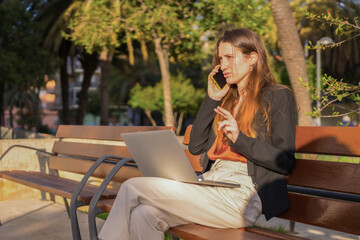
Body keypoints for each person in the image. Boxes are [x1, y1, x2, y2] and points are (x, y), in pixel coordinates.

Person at [98, 28, 297, 240]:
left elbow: (285, 161)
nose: (223, 65)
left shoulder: (278, 96)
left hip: (241, 197)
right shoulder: (226, 99)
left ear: (252, 59)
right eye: (221, 59)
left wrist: (240, 139)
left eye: (230, 57)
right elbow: (196, 146)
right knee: (144, 214)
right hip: (210, 184)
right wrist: (212, 98)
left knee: (132, 187)